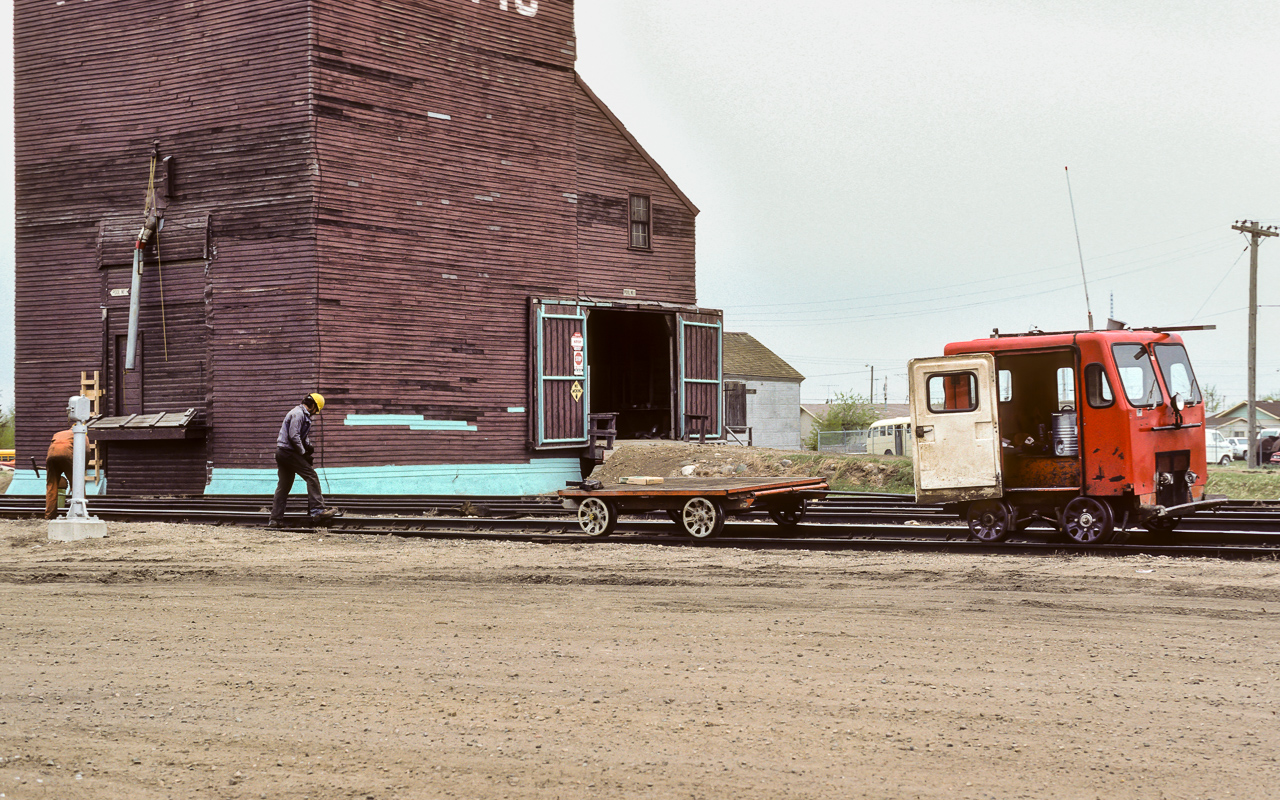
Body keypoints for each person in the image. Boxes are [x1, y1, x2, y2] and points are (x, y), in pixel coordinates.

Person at [269, 393, 337, 527]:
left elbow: (302, 435)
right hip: (288, 452)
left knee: (284, 486)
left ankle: (275, 520)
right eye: (315, 410)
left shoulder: (302, 415)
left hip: (283, 453)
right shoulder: (298, 414)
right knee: (311, 475)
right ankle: (317, 509)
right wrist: (303, 453)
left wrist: (308, 446)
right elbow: (294, 436)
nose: (315, 413)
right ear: (312, 405)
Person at [45, 429, 75, 520]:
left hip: (52, 454)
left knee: (51, 485)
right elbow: (87, 452)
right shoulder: (81, 434)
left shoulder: (58, 433)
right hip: (67, 454)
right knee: (77, 484)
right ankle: (79, 512)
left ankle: (49, 515)